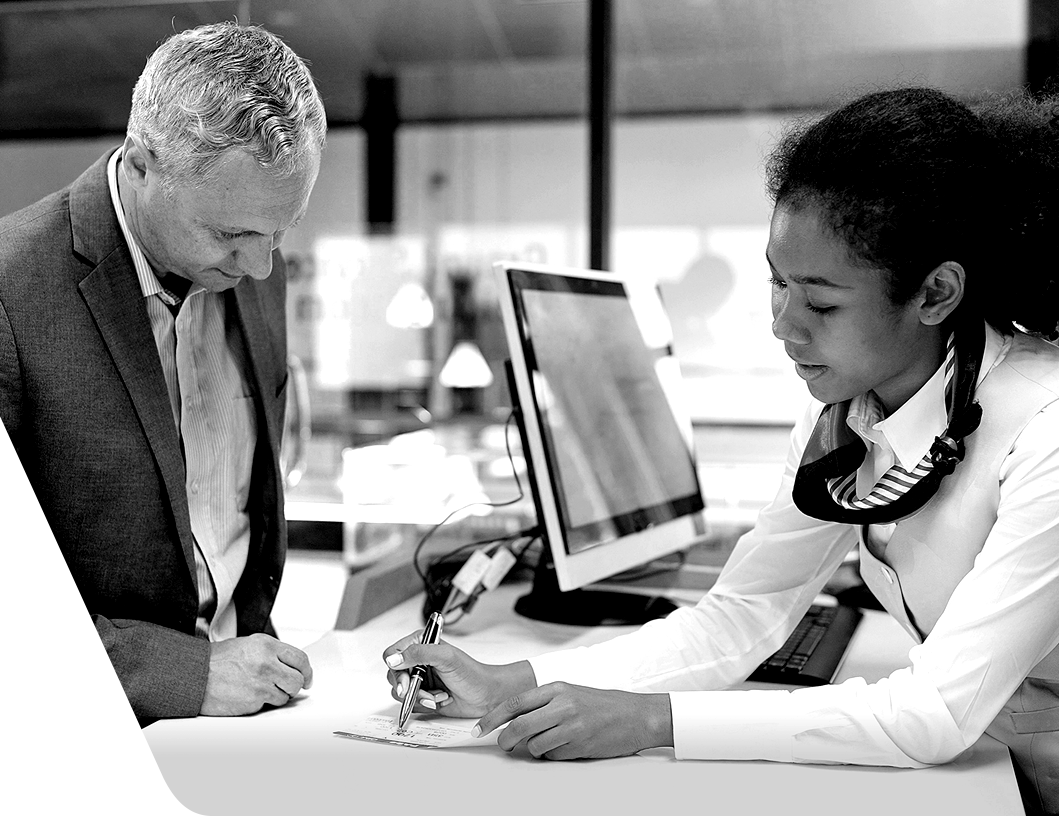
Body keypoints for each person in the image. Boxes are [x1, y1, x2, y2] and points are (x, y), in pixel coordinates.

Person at [383, 87, 1057, 813]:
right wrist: (520, 681)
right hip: (1003, 762)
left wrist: (649, 721)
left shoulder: (1043, 429)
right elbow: (741, 614)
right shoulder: (846, 413)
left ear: (934, 293)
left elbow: (931, 715)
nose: (783, 325)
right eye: (777, 283)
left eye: (821, 303)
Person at [0, 21, 326, 718]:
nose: (261, 266)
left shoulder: (256, 271)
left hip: (249, 722)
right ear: (142, 164)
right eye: (231, 234)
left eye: (281, 230)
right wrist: (185, 674)